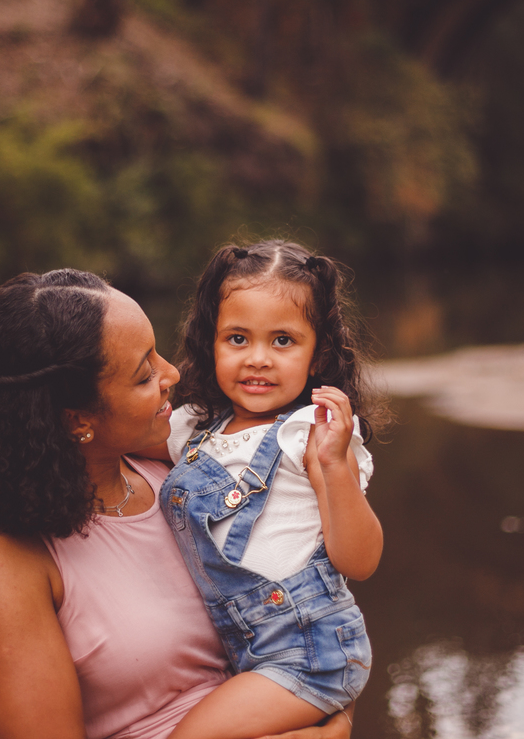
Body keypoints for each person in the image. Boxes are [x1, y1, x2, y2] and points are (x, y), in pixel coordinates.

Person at [0, 268, 353, 739]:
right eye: (144, 375)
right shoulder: (3, 556)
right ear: (78, 420)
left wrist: (334, 722)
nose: (172, 374)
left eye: (158, 354)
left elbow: (316, 618)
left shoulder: (188, 475)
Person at [154, 240, 384, 739]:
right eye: (237, 339)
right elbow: (109, 441)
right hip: (240, 650)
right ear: (210, 343)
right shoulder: (193, 427)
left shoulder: (311, 434)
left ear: (319, 354)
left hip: (309, 650)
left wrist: (334, 465)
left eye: (283, 341)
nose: (258, 359)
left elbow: (361, 561)